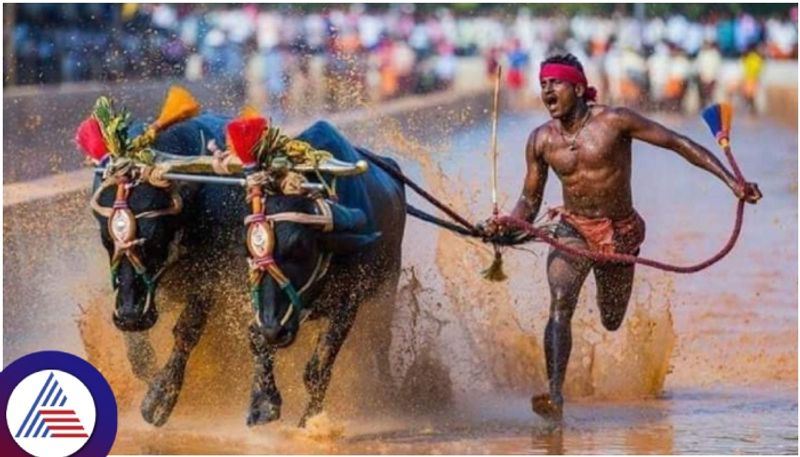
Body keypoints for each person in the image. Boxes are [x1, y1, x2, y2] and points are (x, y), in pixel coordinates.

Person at [485, 53, 762, 423]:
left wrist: (732, 183)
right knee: (560, 301)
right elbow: (529, 202)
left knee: (612, 318)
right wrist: (506, 224)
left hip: (620, 233)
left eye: (556, 83)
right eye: (543, 84)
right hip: (574, 229)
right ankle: (554, 395)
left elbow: (677, 142)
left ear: (578, 89)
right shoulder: (541, 140)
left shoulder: (615, 121)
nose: (547, 90)